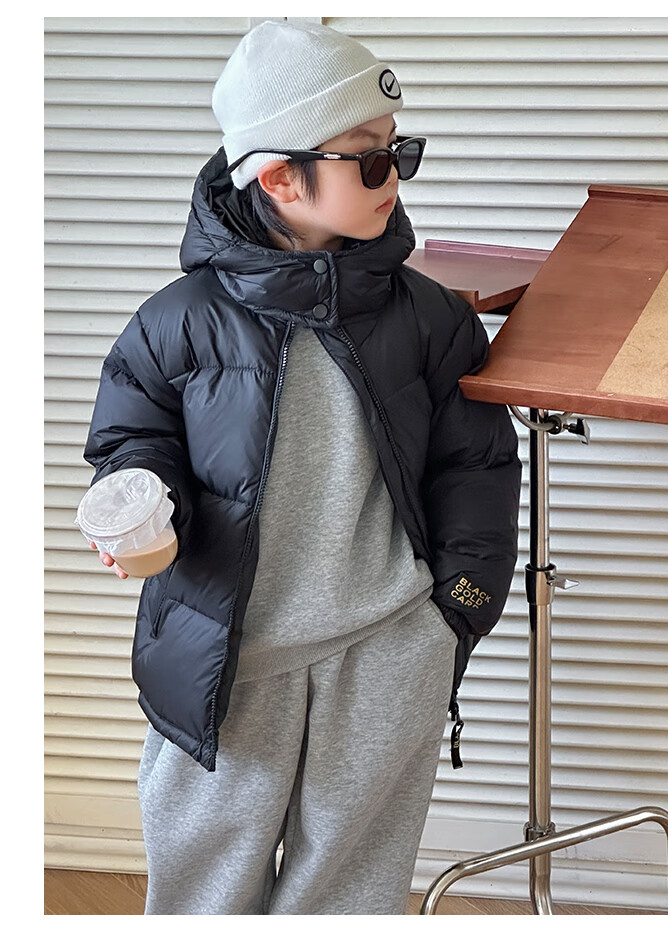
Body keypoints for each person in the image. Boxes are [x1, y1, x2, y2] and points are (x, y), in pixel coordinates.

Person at [82, 20, 521, 915]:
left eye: (400, 151)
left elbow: (476, 468)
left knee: (349, 890)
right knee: (205, 883)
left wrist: (454, 614)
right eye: (371, 159)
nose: (394, 176)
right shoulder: (176, 323)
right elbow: (131, 443)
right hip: (228, 659)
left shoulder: (432, 317)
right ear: (279, 177)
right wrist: (141, 502)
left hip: (389, 646)